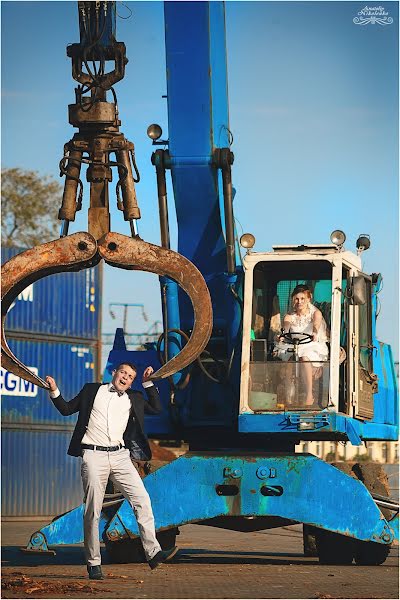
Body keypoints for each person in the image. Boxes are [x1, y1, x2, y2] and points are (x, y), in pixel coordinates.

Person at [46, 362, 177, 580]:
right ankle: (93, 563)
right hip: (93, 455)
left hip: (120, 457)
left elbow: (156, 408)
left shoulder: (133, 397)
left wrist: (148, 382)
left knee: (142, 500)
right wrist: (54, 390)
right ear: (114, 373)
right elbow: (66, 409)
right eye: (123, 372)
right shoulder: (91, 390)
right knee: (93, 510)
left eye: (130, 376)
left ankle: (152, 552)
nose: (125, 377)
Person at [273, 285, 329, 406]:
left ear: (309, 299)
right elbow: (286, 328)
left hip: (311, 345)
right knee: (289, 360)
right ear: (293, 300)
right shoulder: (289, 316)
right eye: (297, 299)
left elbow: (316, 324)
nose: (299, 302)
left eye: (303, 298)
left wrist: (314, 333)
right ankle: (288, 395)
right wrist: (282, 335)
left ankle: (309, 394)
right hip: (294, 346)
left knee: (304, 357)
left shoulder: (316, 313)